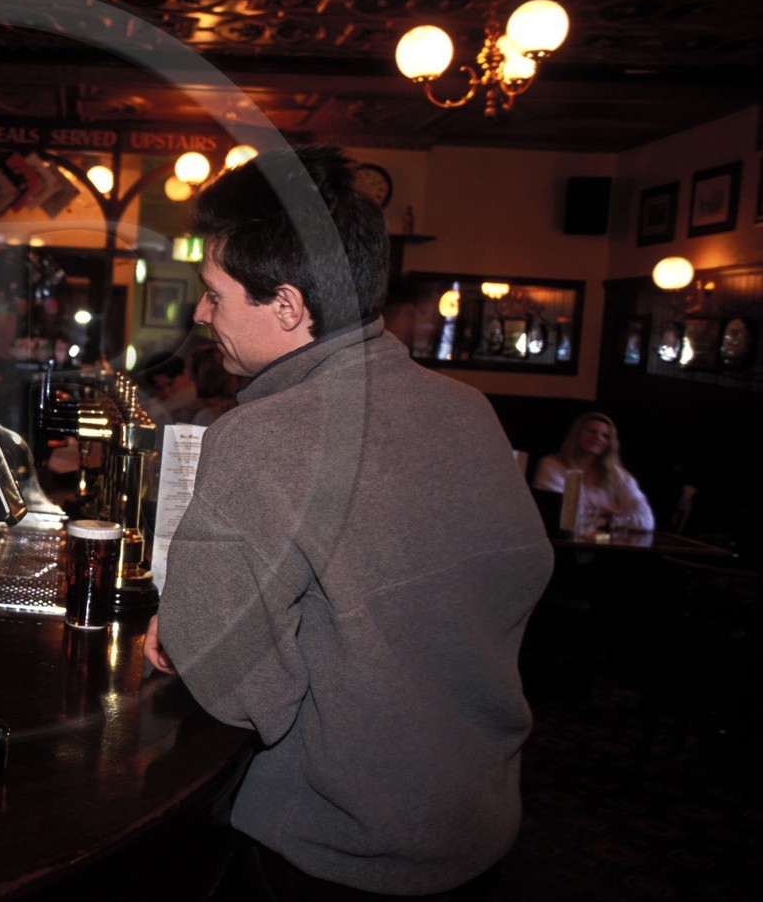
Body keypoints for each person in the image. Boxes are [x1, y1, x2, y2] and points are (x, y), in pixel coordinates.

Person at [143, 145, 553, 900]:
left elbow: (234, 685)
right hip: (477, 818)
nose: (202, 314)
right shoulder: (468, 409)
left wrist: (184, 621)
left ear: (290, 306)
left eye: (215, 294)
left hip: (334, 842)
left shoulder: (264, 435)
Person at [532, 411, 654, 531]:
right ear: (577, 433)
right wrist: (608, 512)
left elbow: (647, 520)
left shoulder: (617, 474)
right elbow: (559, 518)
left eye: (605, 436)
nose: (597, 438)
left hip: (609, 547)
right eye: (591, 431)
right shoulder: (551, 465)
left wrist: (607, 521)